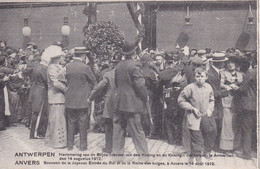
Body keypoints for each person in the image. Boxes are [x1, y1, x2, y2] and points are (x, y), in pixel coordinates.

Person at [112, 41, 149, 160]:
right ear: (134, 52)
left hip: (119, 102)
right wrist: (145, 97)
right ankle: (144, 158)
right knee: (137, 132)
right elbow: (140, 86)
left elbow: (117, 83)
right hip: (132, 104)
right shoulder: (135, 66)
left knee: (118, 131)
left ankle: (117, 158)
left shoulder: (119, 66)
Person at [178, 67, 215, 163]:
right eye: (197, 76)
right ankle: (197, 160)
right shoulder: (189, 87)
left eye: (202, 76)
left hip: (205, 116)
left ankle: (201, 153)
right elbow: (181, 100)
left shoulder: (208, 87)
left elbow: (212, 100)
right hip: (193, 117)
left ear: (206, 77)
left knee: (208, 134)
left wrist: (209, 109)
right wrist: (192, 108)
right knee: (196, 138)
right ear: (194, 77)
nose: (199, 78)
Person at [65, 47, 97, 151]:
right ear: (83, 56)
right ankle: (83, 146)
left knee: (70, 123)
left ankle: (69, 145)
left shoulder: (68, 66)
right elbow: (94, 82)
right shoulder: (85, 68)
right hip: (83, 100)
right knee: (83, 123)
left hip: (70, 99)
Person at [88, 60, 118, 154]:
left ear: (113, 65)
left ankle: (109, 148)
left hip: (111, 102)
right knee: (120, 125)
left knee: (109, 125)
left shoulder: (109, 74)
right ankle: (118, 148)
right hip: (123, 102)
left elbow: (99, 87)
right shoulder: (128, 74)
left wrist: (90, 98)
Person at [45, 45, 67, 148]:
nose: (63, 58)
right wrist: (66, 89)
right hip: (56, 96)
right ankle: (57, 142)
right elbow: (55, 83)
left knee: (58, 118)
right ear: (57, 57)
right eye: (61, 56)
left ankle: (52, 140)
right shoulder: (52, 67)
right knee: (57, 119)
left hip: (59, 96)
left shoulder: (57, 67)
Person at [219, 56, 243, 153]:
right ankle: (226, 147)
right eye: (229, 62)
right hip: (227, 100)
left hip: (237, 101)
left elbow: (243, 85)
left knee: (235, 124)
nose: (230, 64)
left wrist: (237, 87)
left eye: (232, 62)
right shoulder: (223, 73)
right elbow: (220, 84)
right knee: (227, 124)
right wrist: (228, 86)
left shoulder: (241, 74)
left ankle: (235, 146)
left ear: (236, 64)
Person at [207, 53, 229, 152]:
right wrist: (226, 91)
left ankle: (214, 146)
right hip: (213, 104)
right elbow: (213, 93)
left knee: (218, 123)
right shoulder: (211, 74)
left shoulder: (216, 72)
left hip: (217, 103)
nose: (225, 64)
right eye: (223, 62)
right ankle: (211, 147)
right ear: (220, 63)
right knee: (214, 126)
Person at [29, 51, 49, 139]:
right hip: (42, 91)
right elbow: (47, 81)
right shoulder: (44, 68)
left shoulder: (36, 66)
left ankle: (32, 133)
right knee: (39, 112)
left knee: (35, 112)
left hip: (35, 89)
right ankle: (36, 133)